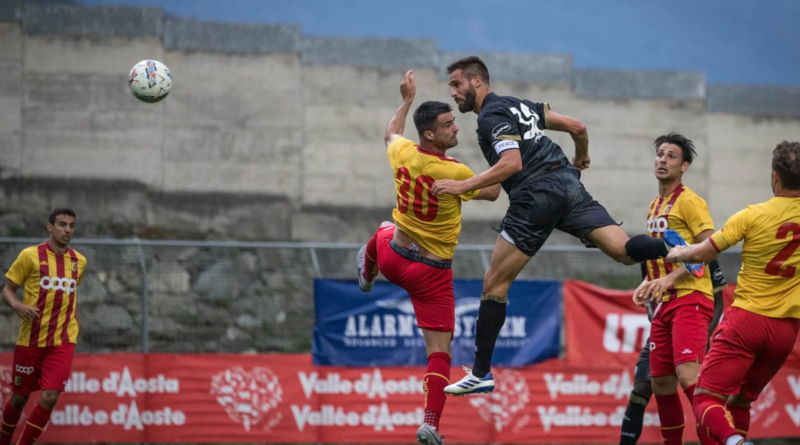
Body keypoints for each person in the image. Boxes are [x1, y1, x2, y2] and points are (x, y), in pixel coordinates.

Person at [434, 56, 694, 395]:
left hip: (536, 194)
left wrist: (460, 186)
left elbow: (511, 163)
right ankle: (683, 249)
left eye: (457, 84)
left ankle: (481, 372)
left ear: (478, 82)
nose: (453, 92)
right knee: (624, 252)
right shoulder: (519, 106)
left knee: (494, 283)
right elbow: (578, 127)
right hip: (567, 183)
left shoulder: (491, 116)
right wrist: (581, 157)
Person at [356, 70, 500, 445]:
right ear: (430, 135)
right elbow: (494, 192)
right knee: (440, 354)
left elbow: (390, 132)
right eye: (448, 125)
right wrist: (488, 159)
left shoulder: (403, 152)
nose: (456, 128)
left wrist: (405, 100)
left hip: (392, 258)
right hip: (430, 274)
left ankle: (367, 272)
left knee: (382, 229)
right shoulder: (454, 171)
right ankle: (431, 423)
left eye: (454, 122)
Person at [665, 141, 800, 445]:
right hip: (786, 331)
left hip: (747, 321)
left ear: (774, 177)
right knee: (740, 401)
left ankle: (735, 442)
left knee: (705, 399)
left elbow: (702, 254)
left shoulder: (752, 215)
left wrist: (677, 253)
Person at [625, 133, 725, 445]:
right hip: (663, 303)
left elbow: (710, 249)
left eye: (671, 156)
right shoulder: (655, 205)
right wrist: (646, 283)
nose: (662, 160)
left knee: (687, 377)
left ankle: (720, 438)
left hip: (690, 299)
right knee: (662, 385)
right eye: (660, 154)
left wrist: (669, 280)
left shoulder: (691, 201)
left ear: (685, 166)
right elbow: (663, 256)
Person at [1, 208, 87, 445]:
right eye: (62, 224)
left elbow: (71, 294)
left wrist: (76, 325)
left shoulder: (79, 261)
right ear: (50, 227)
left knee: (50, 397)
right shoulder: (29, 256)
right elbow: (7, 291)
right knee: (19, 398)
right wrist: (18, 305)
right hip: (30, 340)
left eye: (71, 225)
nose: (67, 230)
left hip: (62, 341)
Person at [621, 262, 725, 445]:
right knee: (645, 387)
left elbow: (719, 301)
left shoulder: (698, 248)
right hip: (663, 322)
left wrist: (704, 334)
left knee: (692, 383)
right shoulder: (650, 249)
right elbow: (650, 292)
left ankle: (724, 436)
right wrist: (655, 317)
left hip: (692, 322)